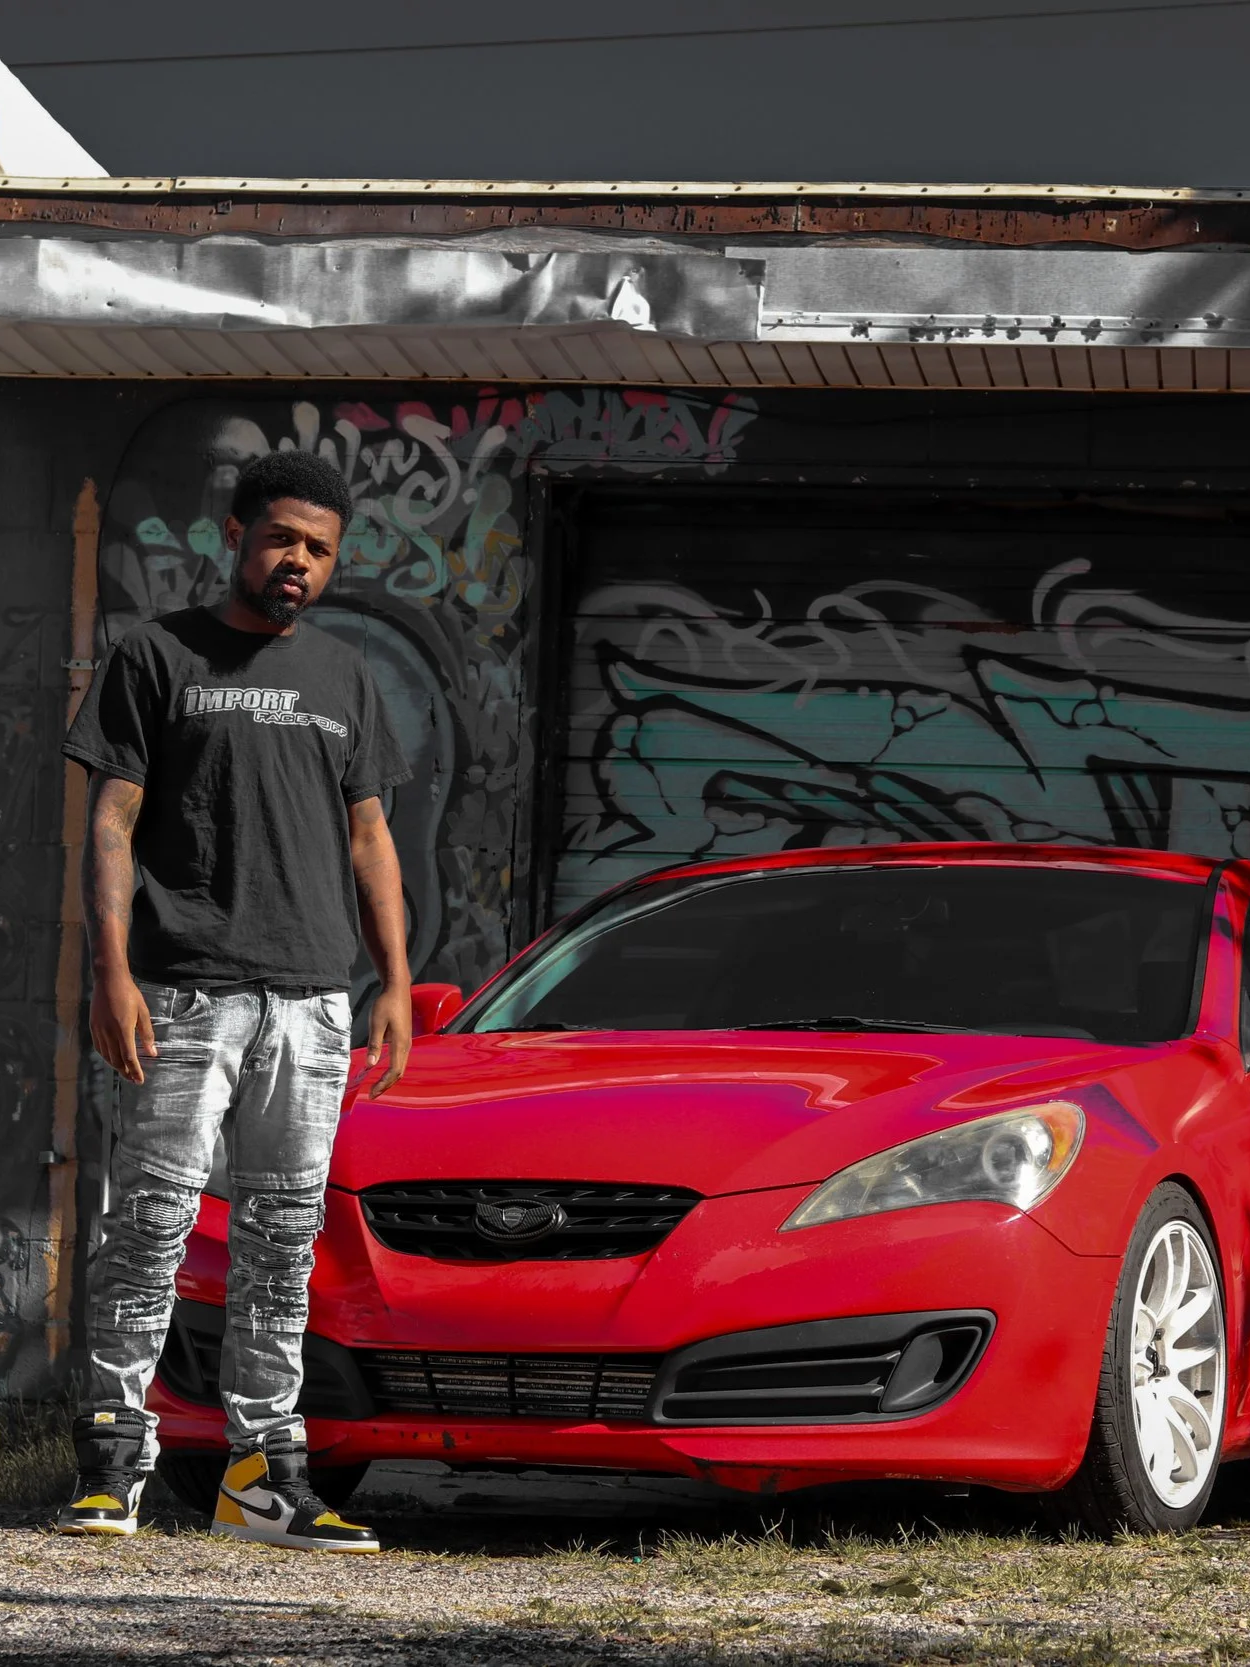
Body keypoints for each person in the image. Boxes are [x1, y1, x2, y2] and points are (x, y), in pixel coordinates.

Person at [57, 450, 413, 1552]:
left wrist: (396, 980)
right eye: (281, 538)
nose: (298, 560)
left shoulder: (346, 675)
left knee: (282, 1244)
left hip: (312, 1004)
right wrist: (110, 969)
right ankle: (114, 1464)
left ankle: (262, 1478)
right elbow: (111, 823)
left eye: (319, 548)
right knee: (148, 1227)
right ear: (236, 537)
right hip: (182, 993)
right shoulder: (156, 653)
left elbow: (370, 838)